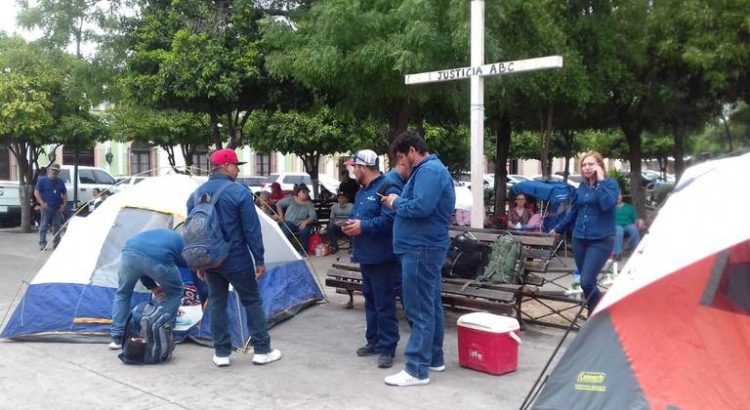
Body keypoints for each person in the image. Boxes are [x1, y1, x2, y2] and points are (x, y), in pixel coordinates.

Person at [187, 148, 281, 367]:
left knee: (217, 301)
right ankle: (261, 350)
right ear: (226, 166)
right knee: (251, 301)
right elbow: (252, 229)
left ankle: (221, 353)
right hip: (236, 258)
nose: (237, 170)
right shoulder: (238, 192)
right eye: (236, 165)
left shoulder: (195, 194)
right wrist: (259, 259)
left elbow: (192, 232)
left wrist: (199, 262)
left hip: (210, 259)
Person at [382, 131, 456, 387]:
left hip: (420, 248)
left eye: (402, 157)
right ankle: (434, 358)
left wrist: (395, 202)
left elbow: (420, 207)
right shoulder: (430, 170)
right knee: (430, 305)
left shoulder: (429, 171)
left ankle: (416, 369)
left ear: (412, 151)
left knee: (418, 309)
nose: (401, 162)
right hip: (423, 247)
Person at [341, 149, 402, 369]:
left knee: (384, 302)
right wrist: (351, 225)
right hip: (365, 255)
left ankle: (388, 347)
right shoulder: (361, 191)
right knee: (371, 300)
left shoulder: (388, 188)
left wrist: (363, 226)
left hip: (383, 257)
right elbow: (361, 217)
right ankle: (374, 340)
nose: (352, 170)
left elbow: (391, 219)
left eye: (354, 166)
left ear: (363, 167)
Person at [551, 151, 619, 314]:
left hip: (601, 240)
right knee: (586, 282)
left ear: (600, 166)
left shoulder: (610, 184)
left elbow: (607, 205)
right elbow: (573, 212)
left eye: (591, 164)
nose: (587, 167)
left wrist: (601, 181)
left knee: (587, 281)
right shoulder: (581, 187)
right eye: (584, 164)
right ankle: (593, 315)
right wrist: (557, 229)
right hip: (579, 239)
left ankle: (597, 313)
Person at [109, 228, 186, 350]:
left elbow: (142, 265)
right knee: (175, 293)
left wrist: (153, 287)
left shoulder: (161, 235)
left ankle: (117, 338)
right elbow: (190, 265)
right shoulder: (185, 244)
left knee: (123, 293)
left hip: (128, 254)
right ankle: (163, 330)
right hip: (157, 258)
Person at [34, 163, 67, 250]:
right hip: (46, 207)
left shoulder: (60, 182)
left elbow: (64, 194)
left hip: (57, 207)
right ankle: (42, 243)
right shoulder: (42, 180)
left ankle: (56, 243)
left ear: (58, 172)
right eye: (53, 170)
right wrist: (42, 203)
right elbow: (36, 192)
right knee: (44, 226)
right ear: (49, 170)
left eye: (56, 171)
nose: (54, 172)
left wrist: (64, 205)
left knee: (56, 226)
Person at [277, 183, 317, 252]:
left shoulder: (309, 204)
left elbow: (313, 216)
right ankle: (283, 249)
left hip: (300, 223)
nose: (306, 193)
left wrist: (306, 222)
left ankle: (303, 250)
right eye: (303, 192)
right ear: (298, 193)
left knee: (305, 231)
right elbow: (279, 204)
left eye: (307, 192)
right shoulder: (291, 199)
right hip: (289, 222)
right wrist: (281, 216)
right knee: (285, 230)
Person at [610, 192, 642, 262]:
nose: (618, 197)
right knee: (619, 229)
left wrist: (639, 221)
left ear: (622, 196)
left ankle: (638, 251)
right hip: (615, 227)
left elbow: (635, 218)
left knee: (633, 228)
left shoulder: (628, 207)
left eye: (619, 195)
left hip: (627, 226)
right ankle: (617, 254)